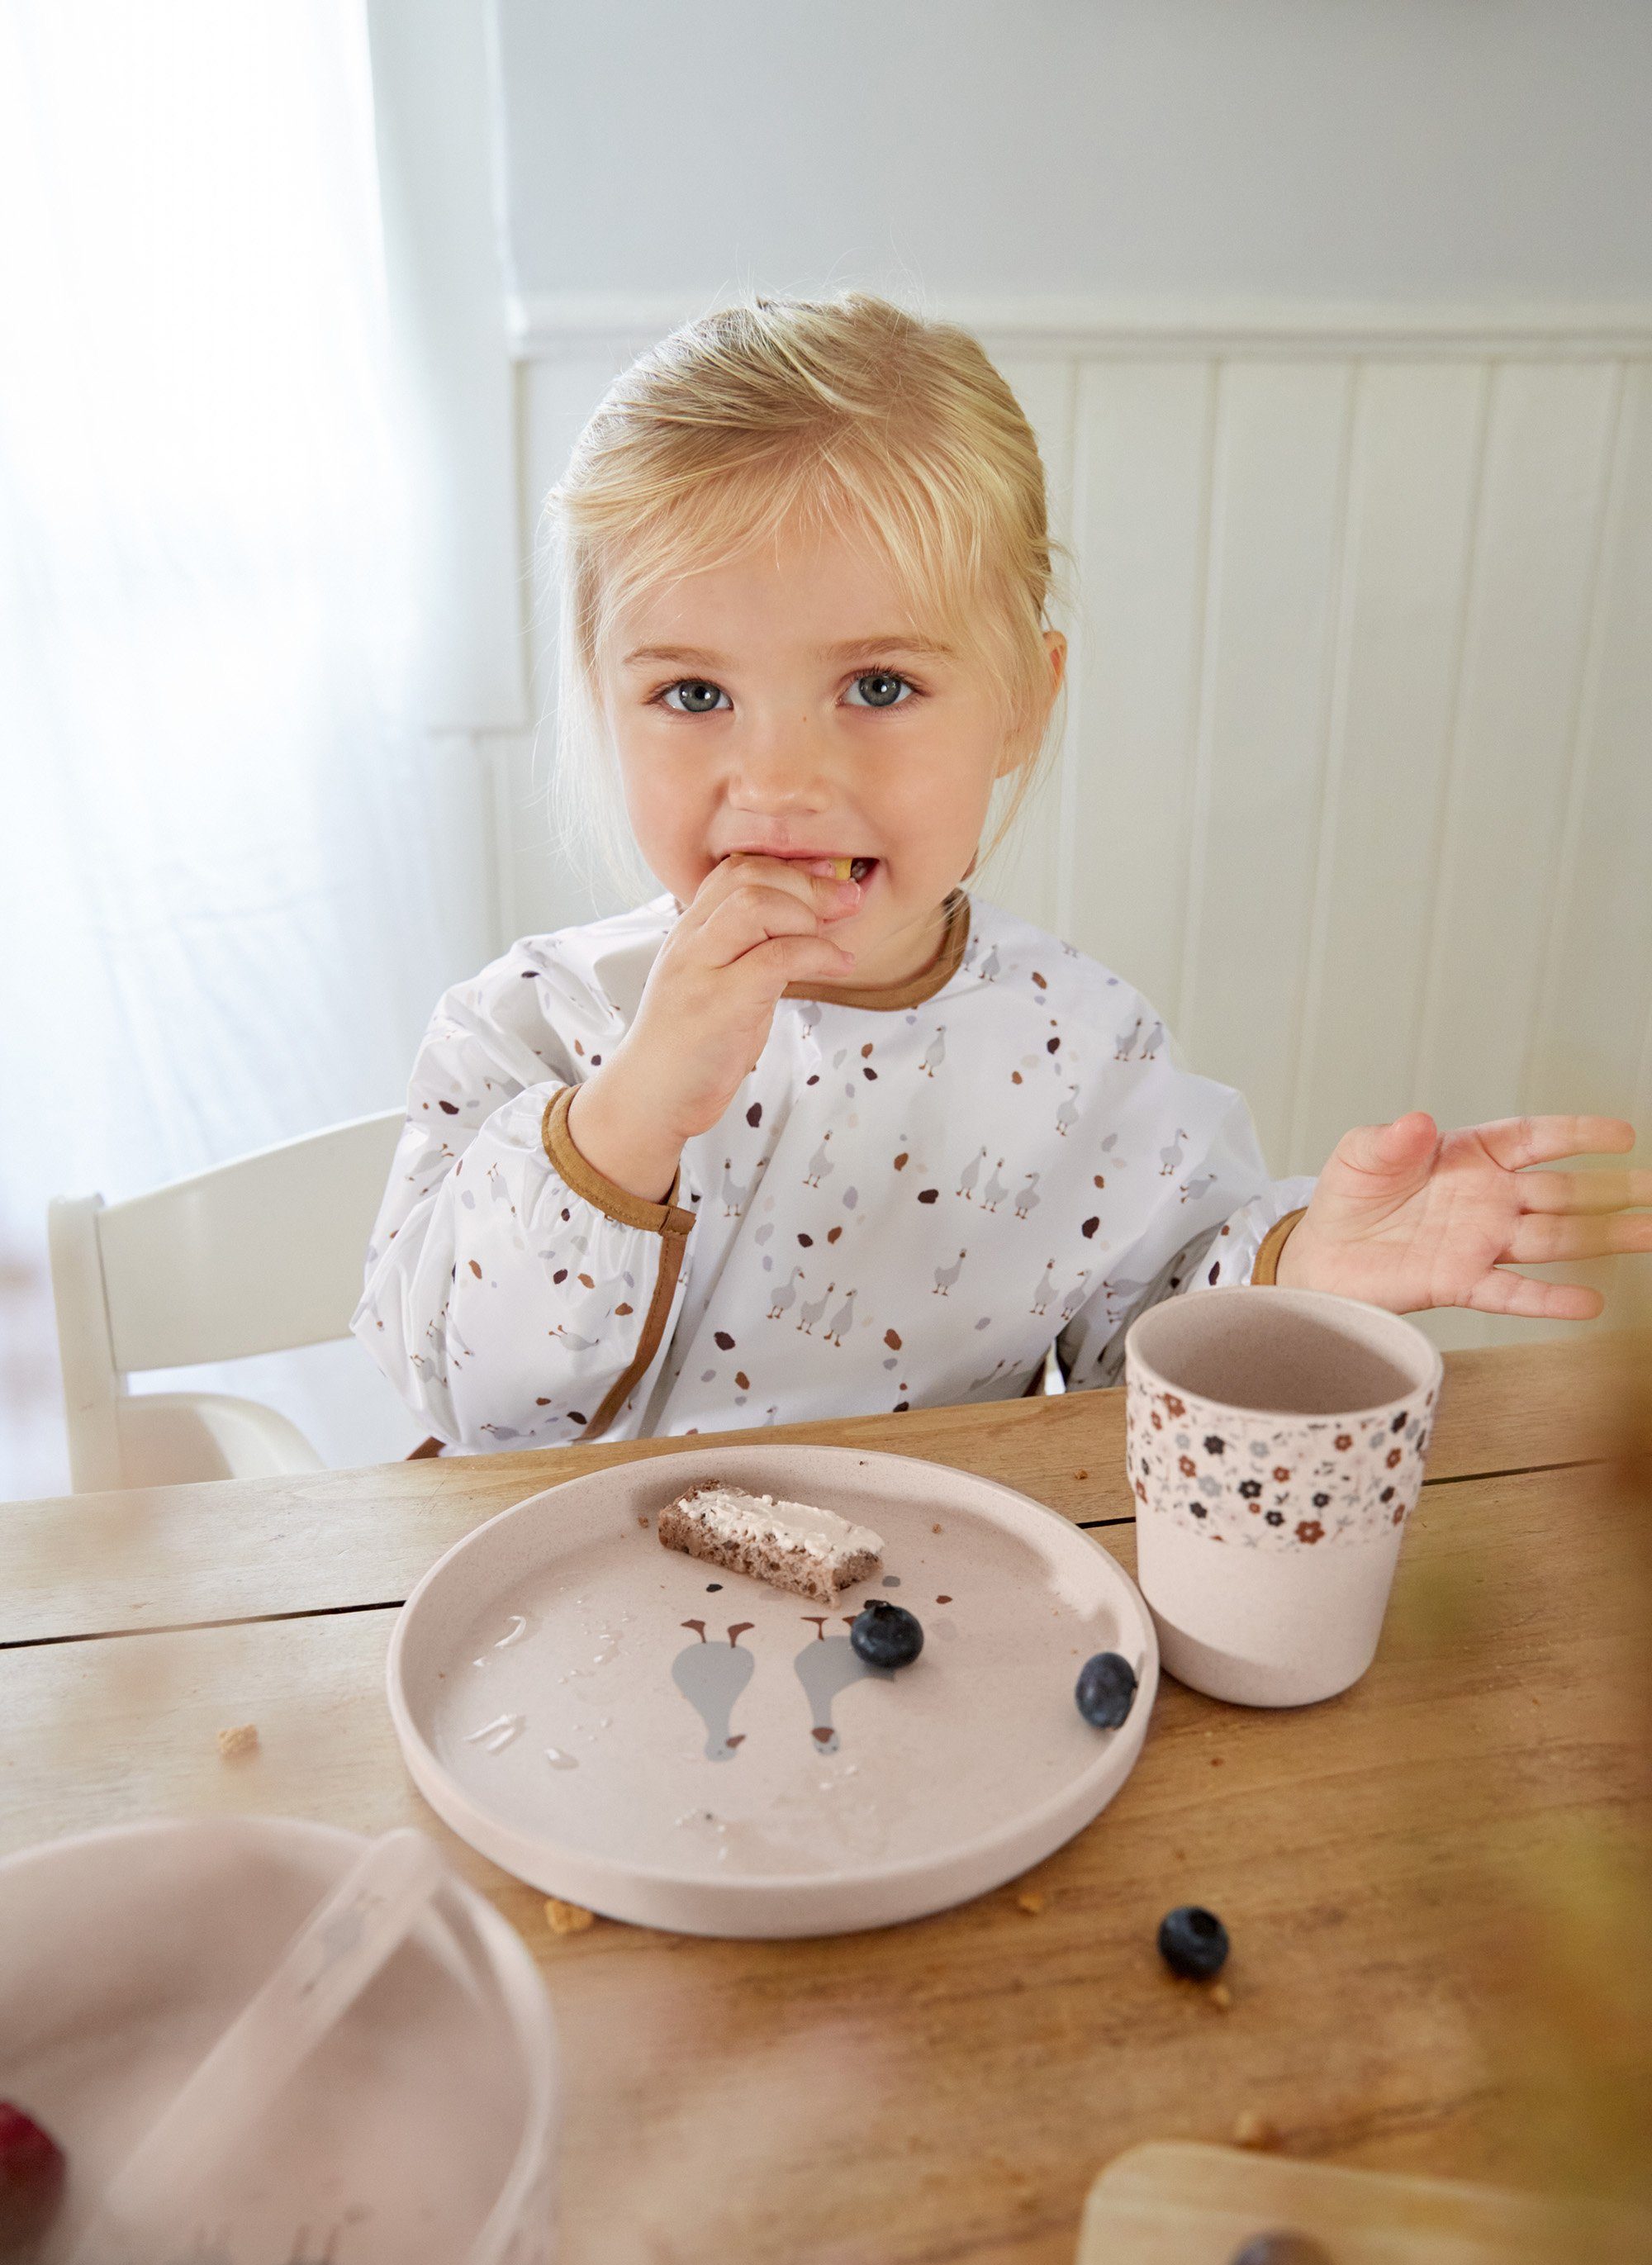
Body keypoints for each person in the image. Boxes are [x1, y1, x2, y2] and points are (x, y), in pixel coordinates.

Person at [354, 296, 1648, 1454]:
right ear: (604, 703)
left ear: (1025, 704)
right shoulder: (530, 1027)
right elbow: (464, 1407)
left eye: (878, 687)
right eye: (693, 692)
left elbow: (1152, 1338)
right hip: (559, 1633)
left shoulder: (1081, 1049)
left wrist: (1306, 1262)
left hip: (922, 1627)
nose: (784, 777)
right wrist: (627, 1117)